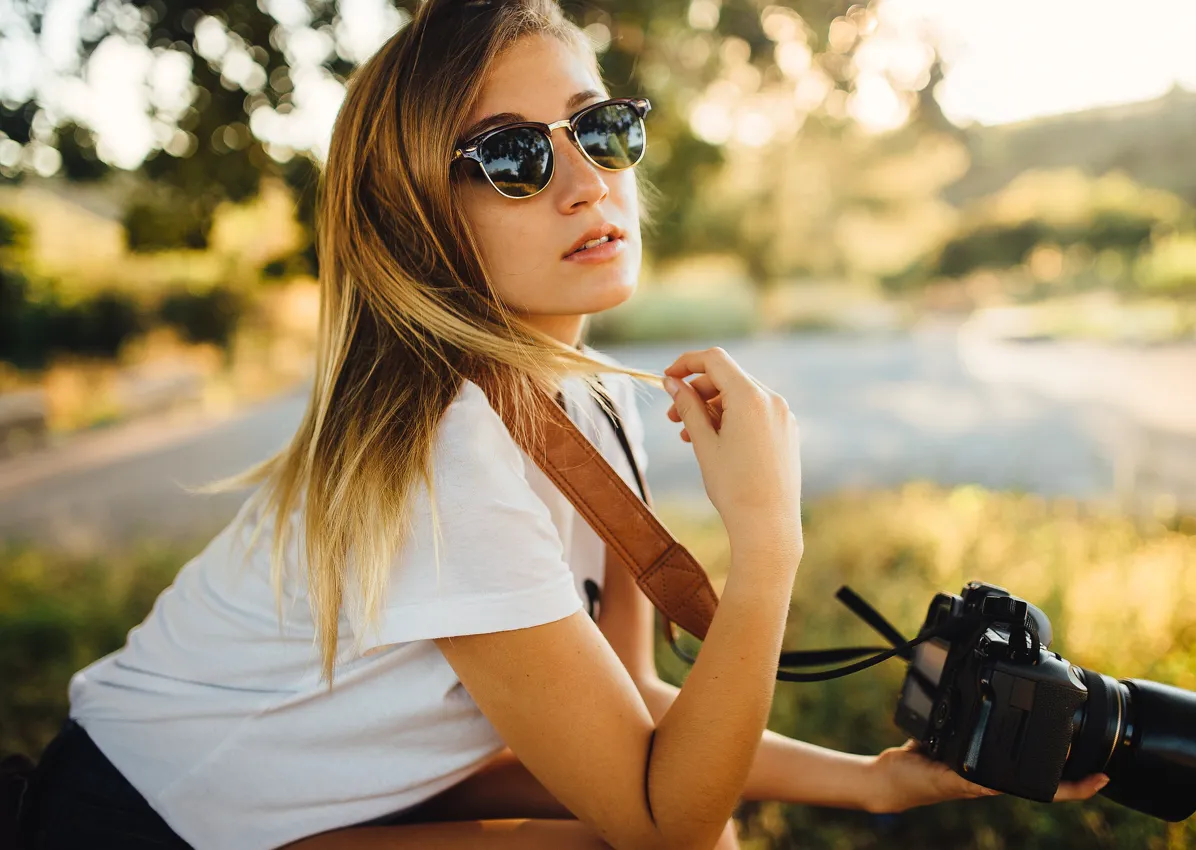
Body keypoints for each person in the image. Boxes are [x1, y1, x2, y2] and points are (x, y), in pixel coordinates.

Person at [26, 1, 1109, 848]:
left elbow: (637, 707)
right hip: (142, 816)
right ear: (416, 219)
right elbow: (659, 818)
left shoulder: (583, 394)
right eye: (512, 156)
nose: (588, 180)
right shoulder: (445, 452)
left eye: (600, 129)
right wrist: (768, 543)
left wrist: (875, 785)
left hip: (272, 789)